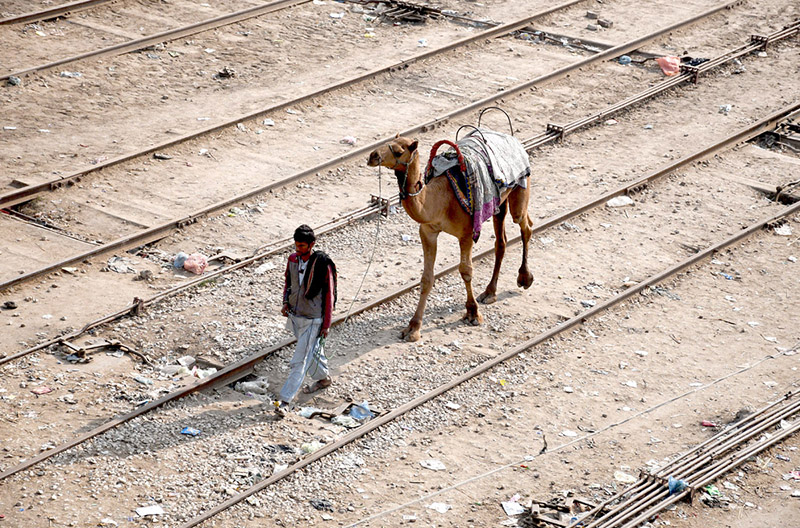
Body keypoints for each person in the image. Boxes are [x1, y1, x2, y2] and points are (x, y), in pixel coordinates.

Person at [275, 225, 337, 417]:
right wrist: (286, 301)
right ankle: (324, 379)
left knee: (299, 360)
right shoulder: (293, 260)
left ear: (312, 244)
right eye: (296, 246)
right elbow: (289, 282)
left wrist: (326, 324)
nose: (298, 249)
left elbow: (329, 296)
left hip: (313, 319)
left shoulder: (322, 264)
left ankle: (285, 401)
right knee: (312, 351)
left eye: (302, 246)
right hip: (296, 315)